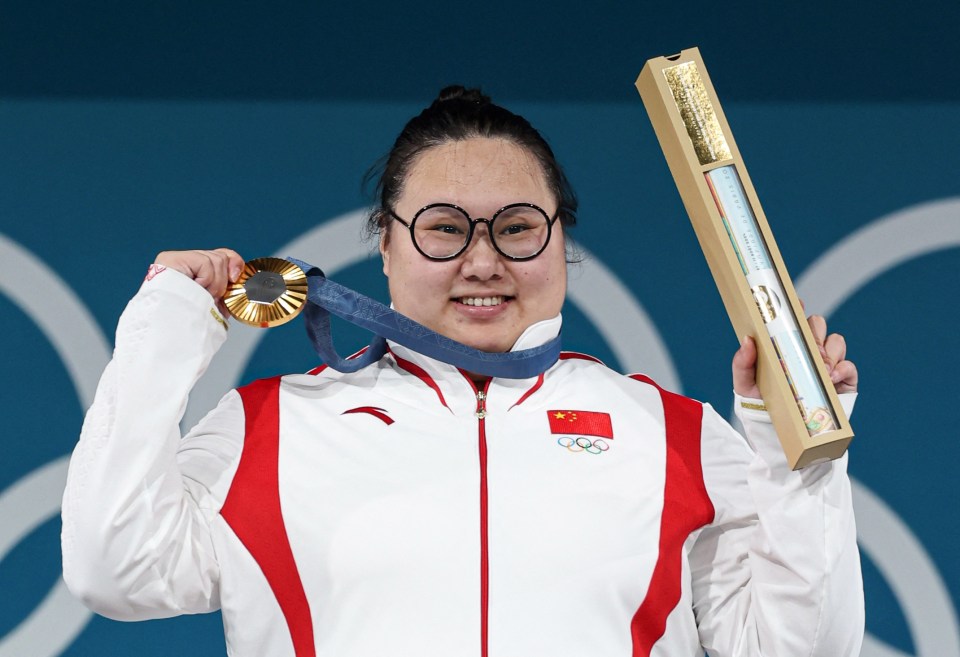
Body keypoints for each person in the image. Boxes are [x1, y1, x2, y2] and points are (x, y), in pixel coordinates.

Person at [61, 86, 863, 657]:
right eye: (444, 229)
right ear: (384, 243)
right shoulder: (269, 429)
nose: (483, 261)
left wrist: (792, 457)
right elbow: (110, 565)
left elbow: (804, 649)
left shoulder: (673, 436)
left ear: (562, 242)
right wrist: (166, 328)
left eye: (517, 227)